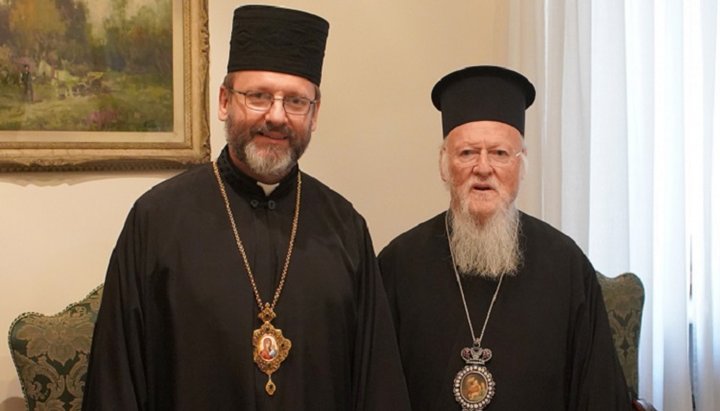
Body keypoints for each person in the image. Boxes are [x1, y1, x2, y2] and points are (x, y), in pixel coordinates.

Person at [82, 5, 410, 410]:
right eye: (258, 96)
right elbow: (116, 381)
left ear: (314, 114)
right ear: (224, 101)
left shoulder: (345, 228)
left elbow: (377, 386)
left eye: (295, 101)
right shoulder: (157, 220)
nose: (276, 116)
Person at [378, 65, 632, 410]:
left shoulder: (565, 264)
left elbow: (598, 392)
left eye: (499, 153)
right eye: (467, 153)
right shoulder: (399, 264)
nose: (483, 168)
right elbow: (376, 386)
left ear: (521, 165)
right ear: (444, 165)